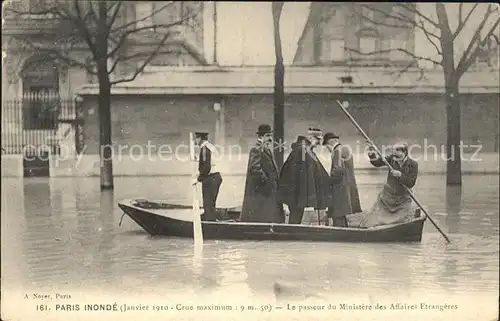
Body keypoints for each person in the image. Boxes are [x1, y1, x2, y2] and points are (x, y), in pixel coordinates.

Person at [358, 142, 418, 228]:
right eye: (393, 151)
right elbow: (377, 163)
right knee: (375, 219)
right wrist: (372, 155)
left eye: (397, 152)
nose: (394, 155)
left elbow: (411, 183)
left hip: (403, 199)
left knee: (400, 222)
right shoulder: (391, 158)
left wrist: (401, 175)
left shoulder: (413, 164)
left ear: (404, 153)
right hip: (387, 196)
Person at [278, 128, 331, 225]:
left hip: (297, 193)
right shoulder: (303, 150)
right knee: (295, 216)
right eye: (317, 140)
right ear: (310, 137)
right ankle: (291, 235)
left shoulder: (306, 149)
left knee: (297, 216)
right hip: (296, 193)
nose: (319, 143)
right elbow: (299, 173)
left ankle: (292, 234)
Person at [239, 124, 285, 223]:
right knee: (260, 213)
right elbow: (254, 168)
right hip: (261, 189)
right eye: (268, 136)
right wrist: (266, 181)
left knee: (266, 213)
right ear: (261, 136)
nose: (270, 139)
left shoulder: (266, 149)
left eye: (270, 136)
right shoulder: (256, 149)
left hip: (266, 189)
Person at [323, 133, 362, 227]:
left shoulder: (336, 151)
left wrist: (328, 181)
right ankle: (345, 234)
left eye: (327, 146)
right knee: (342, 214)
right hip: (347, 186)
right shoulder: (346, 149)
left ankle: (339, 237)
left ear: (330, 142)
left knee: (337, 214)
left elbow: (338, 170)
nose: (328, 150)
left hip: (339, 188)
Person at [192, 132, 223, 221]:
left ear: (200, 139)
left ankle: (209, 223)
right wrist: (198, 159)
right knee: (210, 204)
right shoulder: (209, 146)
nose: (195, 140)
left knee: (208, 204)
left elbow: (206, 167)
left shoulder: (204, 148)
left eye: (196, 138)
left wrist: (197, 179)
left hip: (211, 179)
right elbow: (209, 161)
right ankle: (210, 219)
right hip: (215, 177)